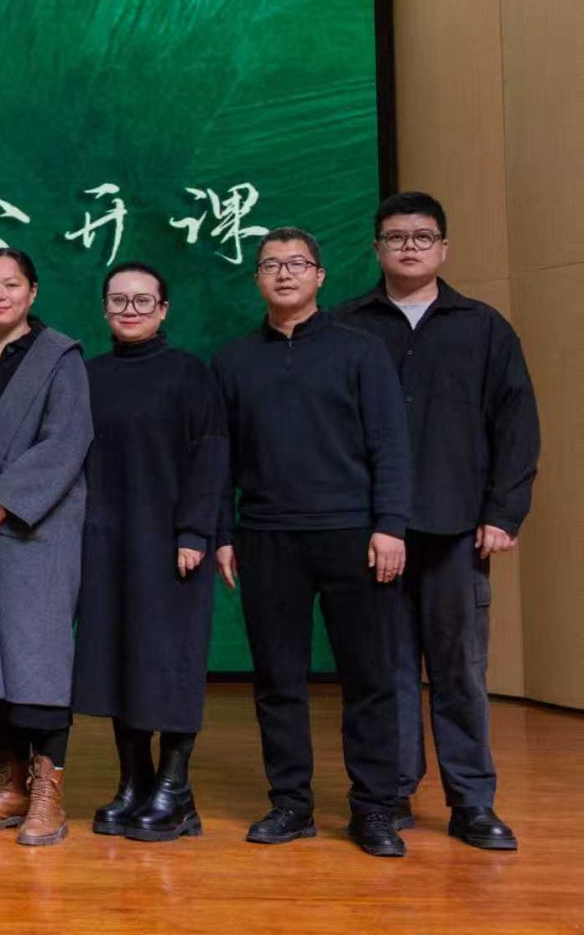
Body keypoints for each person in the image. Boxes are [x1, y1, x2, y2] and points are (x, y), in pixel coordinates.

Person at [334, 192, 538, 851]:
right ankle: (389, 793)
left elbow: (516, 425)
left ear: (444, 248)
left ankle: (472, 801)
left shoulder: (483, 327)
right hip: (374, 531)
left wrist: (503, 512)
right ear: (377, 249)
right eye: (396, 237)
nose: (410, 247)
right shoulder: (346, 327)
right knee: (384, 669)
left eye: (423, 236)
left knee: (459, 670)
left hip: (457, 527)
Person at [213, 226, 413, 858]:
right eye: (271, 265)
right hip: (267, 536)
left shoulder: (361, 350)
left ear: (320, 276)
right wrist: (223, 533)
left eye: (297, 264)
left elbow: (391, 443)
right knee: (278, 678)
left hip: (355, 534)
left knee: (370, 676)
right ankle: (291, 804)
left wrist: (391, 525)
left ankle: (375, 807)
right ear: (257, 279)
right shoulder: (234, 360)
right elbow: (220, 458)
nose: (284, 274)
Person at [0, 247, 92, 848]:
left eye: (11, 285)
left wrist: (2, 501)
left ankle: (48, 790)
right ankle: (11, 784)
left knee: (39, 660)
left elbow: (66, 440)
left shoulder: (60, 356)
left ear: (32, 292)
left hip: (36, 529)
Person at [71, 263, 227, 842]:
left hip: (171, 544)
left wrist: (195, 532)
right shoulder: (88, 376)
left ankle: (174, 789)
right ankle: (134, 781)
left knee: (171, 663)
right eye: (119, 301)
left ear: (163, 309)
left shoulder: (190, 373)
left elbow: (211, 454)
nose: (130, 310)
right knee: (120, 661)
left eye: (142, 301)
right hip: (106, 544)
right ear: (105, 309)